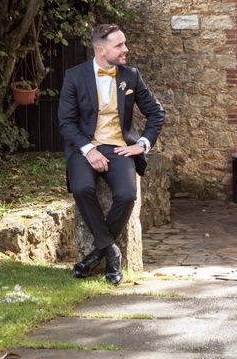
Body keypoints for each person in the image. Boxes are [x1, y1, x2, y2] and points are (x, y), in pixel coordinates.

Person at [58, 24, 165, 286]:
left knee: (127, 194)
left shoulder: (131, 76)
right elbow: (66, 122)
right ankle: (112, 252)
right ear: (101, 49)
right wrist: (88, 149)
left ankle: (98, 253)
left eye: (124, 44)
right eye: (119, 45)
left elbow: (156, 112)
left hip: (119, 148)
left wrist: (142, 144)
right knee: (82, 189)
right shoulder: (75, 76)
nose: (125, 49)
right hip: (84, 148)